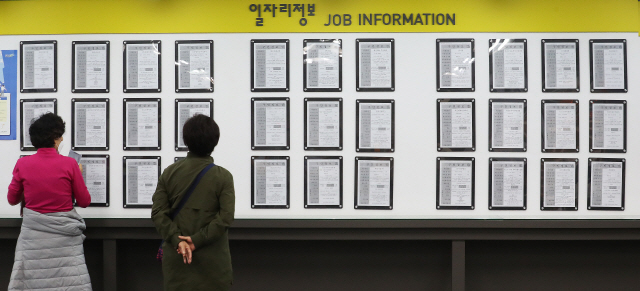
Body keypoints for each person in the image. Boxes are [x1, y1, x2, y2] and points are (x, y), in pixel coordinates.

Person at [7, 112, 92, 290]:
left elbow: (12, 199)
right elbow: (84, 201)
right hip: (65, 241)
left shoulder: (22, 164)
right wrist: (79, 174)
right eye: (60, 136)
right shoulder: (70, 165)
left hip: (33, 240)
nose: (61, 140)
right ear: (55, 138)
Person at [152, 114, 235, 291]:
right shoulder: (223, 177)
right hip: (214, 263)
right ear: (215, 141)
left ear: (186, 140)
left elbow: (158, 213)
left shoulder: (169, 173)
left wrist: (178, 240)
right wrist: (196, 241)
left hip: (178, 260)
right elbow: (225, 218)